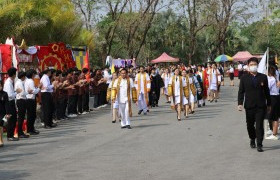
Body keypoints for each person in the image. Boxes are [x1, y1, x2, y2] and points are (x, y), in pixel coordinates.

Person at [238, 57, 271, 152]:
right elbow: (241, 92)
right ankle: (252, 138)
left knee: (259, 125)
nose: (253, 66)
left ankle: (259, 144)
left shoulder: (263, 77)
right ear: (248, 66)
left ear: (257, 65)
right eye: (251, 65)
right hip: (249, 106)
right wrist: (240, 103)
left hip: (261, 106)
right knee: (250, 125)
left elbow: (267, 91)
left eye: (254, 64)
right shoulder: (244, 78)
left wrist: (269, 104)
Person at [4, 67, 19, 141]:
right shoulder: (8, 83)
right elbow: (9, 95)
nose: (15, 75)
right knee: (11, 119)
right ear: (13, 74)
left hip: (11, 102)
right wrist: (17, 92)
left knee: (13, 119)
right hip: (9, 103)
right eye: (15, 74)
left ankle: (11, 135)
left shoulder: (10, 82)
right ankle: (9, 136)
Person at [266, 66, 280, 140]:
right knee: (274, 116)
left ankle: (274, 134)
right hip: (276, 97)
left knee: (274, 116)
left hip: (273, 97)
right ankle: (273, 131)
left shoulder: (271, 79)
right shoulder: (275, 78)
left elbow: (267, 88)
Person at [25, 69, 40, 135]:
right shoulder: (31, 81)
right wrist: (39, 87)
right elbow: (34, 91)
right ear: (32, 75)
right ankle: (30, 129)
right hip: (30, 99)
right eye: (34, 74)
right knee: (31, 115)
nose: (35, 75)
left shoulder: (27, 81)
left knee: (31, 115)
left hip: (29, 99)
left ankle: (31, 128)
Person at [15, 71, 29, 138]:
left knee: (21, 117)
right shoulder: (19, 83)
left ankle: (20, 131)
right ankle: (20, 132)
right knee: (21, 117)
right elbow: (22, 93)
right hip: (21, 100)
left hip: (21, 100)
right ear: (23, 76)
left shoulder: (19, 82)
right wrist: (28, 92)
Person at [0, 80, 9, 146]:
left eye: (1, 85)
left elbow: (6, 104)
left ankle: (1, 140)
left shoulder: (5, 94)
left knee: (1, 125)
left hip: (2, 113)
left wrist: (7, 113)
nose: (0, 87)